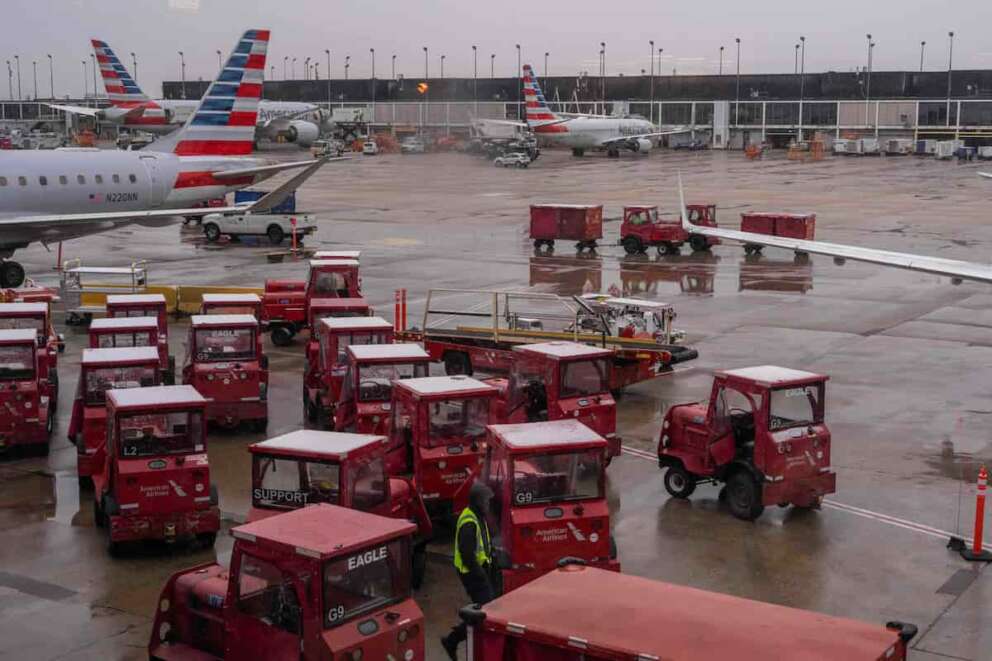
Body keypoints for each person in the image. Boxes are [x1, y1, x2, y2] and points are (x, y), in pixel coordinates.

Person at [440, 482, 496, 660]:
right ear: (477, 501)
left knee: (487, 608)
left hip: (480, 570)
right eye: (486, 501)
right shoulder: (469, 522)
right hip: (471, 573)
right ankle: (452, 641)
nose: (488, 504)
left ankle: (455, 638)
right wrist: (481, 575)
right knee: (484, 612)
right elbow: (467, 555)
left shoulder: (478, 516)